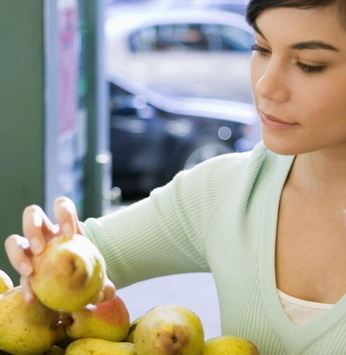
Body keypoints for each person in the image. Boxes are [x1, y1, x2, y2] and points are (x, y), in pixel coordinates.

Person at [5, 0, 346, 353]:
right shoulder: (224, 191)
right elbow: (84, 255)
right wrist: (46, 255)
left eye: (310, 66)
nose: (265, 86)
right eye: (260, 48)